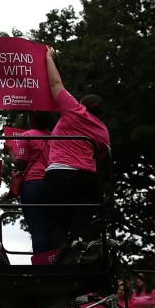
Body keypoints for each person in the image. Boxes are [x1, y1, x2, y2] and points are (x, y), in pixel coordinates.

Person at [42, 46, 110, 249]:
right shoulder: (103, 131)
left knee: (54, 223)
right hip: (88, 178)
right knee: (81, 224)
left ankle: (63, 262)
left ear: (82, 104)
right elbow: (102, 157)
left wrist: (48, 58)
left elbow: (55, 83)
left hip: (60, 173)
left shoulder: (74, 110)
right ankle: (82, 257)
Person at [13, 111, 55, 254]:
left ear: (32, 119)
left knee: (37, 230)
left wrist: (10, 153)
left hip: (32, 184)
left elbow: (21, 164)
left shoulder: (27, 136)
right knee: (52, 228)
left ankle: (40, 268)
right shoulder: (55, 137)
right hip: (51, 184)